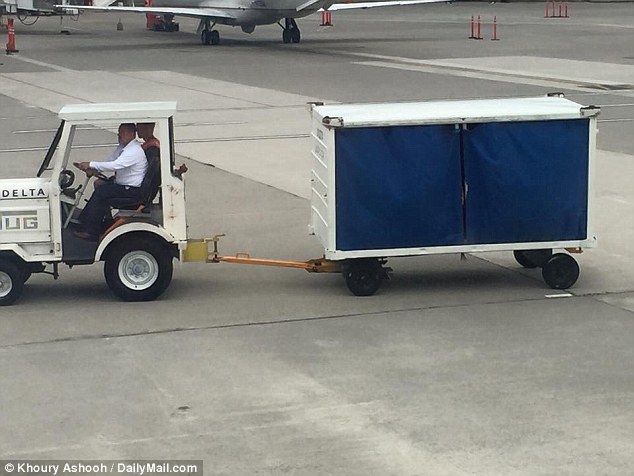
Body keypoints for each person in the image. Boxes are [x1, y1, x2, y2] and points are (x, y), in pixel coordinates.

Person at [73, 123, 147, 240]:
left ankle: (91, 231)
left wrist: (91, 164)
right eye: (119, 132)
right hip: (122, 184)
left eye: (122, 133)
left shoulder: (134, 151)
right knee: (99, 184)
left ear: (131, 134)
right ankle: (89, 221)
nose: (119, 135)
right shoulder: (123, 148)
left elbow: (115, 165)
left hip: (131, 191)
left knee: (101, 193)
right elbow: (110, 160)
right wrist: (94, 169)